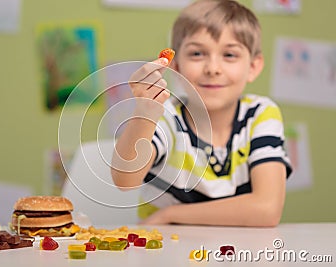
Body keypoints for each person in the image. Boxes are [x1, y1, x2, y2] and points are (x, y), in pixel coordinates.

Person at [111, 0, 292, 227]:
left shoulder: (261, 114)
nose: (213, 68)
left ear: (253, 67)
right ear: (176, 67)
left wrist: (171, 215)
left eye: (229, 55)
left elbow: (267, 209)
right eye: (197, 53)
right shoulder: (166, 116)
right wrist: (145, 113)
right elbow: (124, 180)